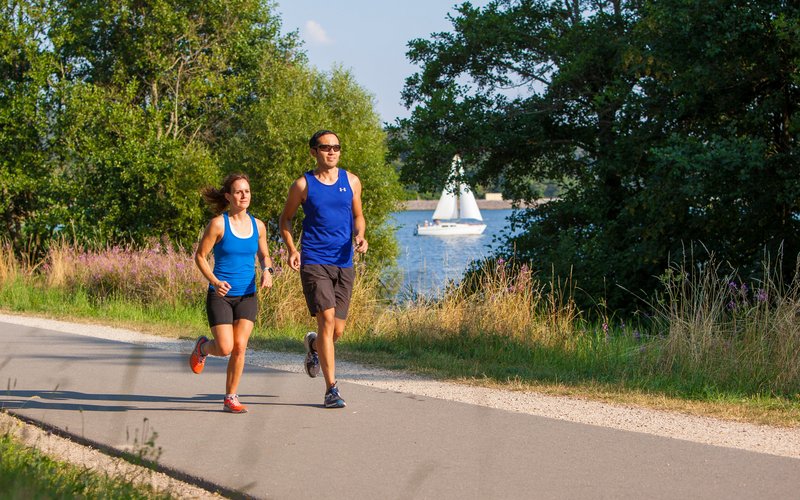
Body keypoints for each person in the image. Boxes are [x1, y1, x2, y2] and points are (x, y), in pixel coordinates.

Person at [279, 130, 368, 409]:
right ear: (313, 152)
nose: (331, 151)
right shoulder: (303, 185)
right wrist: (293, 249)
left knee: (336, 331)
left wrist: (360, 235)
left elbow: (358, 216)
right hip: (315, 261)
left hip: (344, 263)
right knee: (327, 321)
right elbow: (286, 220)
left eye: (336, 147)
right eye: (325, 147)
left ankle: (314, 346)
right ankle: (332, 389)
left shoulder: (351, 181)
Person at [191, 173, 274, 414]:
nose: (244, 195)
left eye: (247, 191)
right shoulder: (218, 224)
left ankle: (230, 397)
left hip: (248, 294)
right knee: (225, 347)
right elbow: (200, 256)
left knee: (240, 347)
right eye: (238, 191)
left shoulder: (258, 225)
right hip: (221, 296)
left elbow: (264, 255)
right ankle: (203, 348)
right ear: (228, 196)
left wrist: (267, 271)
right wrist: (215, 281)